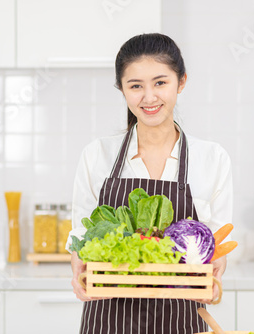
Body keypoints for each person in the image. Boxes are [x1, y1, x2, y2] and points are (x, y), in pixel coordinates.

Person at [67, 33, 233, 334]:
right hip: (108, 318)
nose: (149, 97)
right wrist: (78, 261)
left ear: (181, 82)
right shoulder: (97, 154)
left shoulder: (212, 158)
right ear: (122, 90)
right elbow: (81, 231)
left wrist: (217, 270)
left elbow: (216, 247)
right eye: (135, 86)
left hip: (183, 319)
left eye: (160, 82)